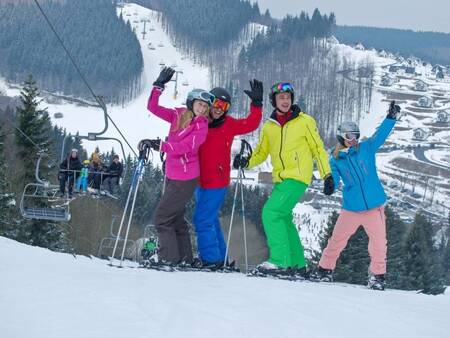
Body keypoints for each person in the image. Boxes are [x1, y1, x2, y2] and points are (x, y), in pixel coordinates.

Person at [233, 82, 334, 275]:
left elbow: (318, 149)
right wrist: (246, 162)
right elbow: (262, 153)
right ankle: (297, 264)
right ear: (274, 101)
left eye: (288, 97)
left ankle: (280, 261)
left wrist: (326, 174)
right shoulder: (269, 126)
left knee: (271, 212)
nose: (285, 101)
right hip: (281, 179)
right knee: (284, 219)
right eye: (281, 98)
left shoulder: (305, 121)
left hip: (297, 176)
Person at [315, 101, 401, 291]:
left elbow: (381, 135)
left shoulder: (366, 148)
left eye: (355, 135)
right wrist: (330, 184)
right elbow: (334, 179)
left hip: (374, 206)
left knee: (379, 244)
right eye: (349, 135)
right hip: (351, 208)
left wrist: (390, 118)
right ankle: (324, 270)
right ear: (341, 137)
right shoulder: (335, 159)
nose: (353, 139)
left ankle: (377, 277)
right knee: (337, 240)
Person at [192, 80, 263, 268]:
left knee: (202, 220)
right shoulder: (199, 123)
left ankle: (211, 259)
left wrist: (256, 105)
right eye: (216, 104)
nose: (218, 109)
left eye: (224, 106)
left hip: (217, 182)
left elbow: (251, 123)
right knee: (210, 220)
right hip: (199, 182)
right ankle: (221, 258)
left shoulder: (229, 124)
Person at [143, 67, 210, 265]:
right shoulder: (178, 115)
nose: (202, 109)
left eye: (205, 107)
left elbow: (185, 147)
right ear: (191, 103)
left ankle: (168, 258)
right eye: (199, 104)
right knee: (176, 218)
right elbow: (153, 108)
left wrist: (161, 145)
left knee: (162, 217)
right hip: (173, 175)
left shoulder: (201, 126)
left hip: (186, 178)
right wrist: (158, 86)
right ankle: (184, 258)